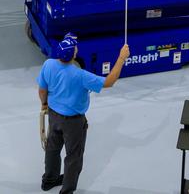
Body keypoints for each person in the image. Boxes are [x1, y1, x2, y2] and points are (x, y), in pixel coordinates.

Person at [37, 33, 130, 193]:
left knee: (52, 148)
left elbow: (42, 90)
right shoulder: (80, 76)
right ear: (73, 54)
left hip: (53, 115)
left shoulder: (49, 65)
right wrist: (122, 58)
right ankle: (67, 191)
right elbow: (109, 81)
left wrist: (44, 104)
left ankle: (49, 180)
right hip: (73, 122)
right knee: (73, 157)